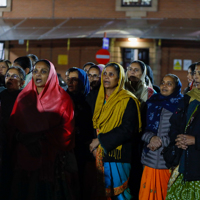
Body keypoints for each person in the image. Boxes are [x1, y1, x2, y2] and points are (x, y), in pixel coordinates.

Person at [8, 60, 75, 200]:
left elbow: (66, 130)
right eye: (35, 71)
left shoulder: (63, 99)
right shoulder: (24, 97)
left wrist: (40, 137)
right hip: (23, 156)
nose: (38, 74)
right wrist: (24, 139)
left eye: (43, 71)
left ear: (51, 75)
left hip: (48, 159)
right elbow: (12, 126)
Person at [89, 62, 141, 199]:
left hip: (118, 153)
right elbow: (96, 125)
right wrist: (95, 146)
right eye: (105, 73)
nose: (106, 77)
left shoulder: (128, 100)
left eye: (111, 74)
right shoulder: (99, 98)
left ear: (120, 79)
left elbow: (127, 130)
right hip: (99, 153)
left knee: (120, 194)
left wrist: (100, 141)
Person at [139, 74, 183, 200]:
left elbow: (180, 130)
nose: (164, 86)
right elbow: (141, 127)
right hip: (149, 157)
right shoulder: (152, 102)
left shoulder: (181, 105)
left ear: (176, 87)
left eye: (169, 84)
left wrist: (160, 141)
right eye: (163, 82)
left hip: (168, 160)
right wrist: (150, 138)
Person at [165, 62, 200, 199]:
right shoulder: (188, 98)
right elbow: (175, 124)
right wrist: (178, 139)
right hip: (184, 165)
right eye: (195, 73)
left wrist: (195, 141)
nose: (196, 76)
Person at [66, 67, 94, 199]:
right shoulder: (62, 99)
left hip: (81, 148)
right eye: (68, 78)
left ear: (82, 81)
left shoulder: (89, 102)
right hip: (65, 146)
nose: (70, 82)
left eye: (75, 79)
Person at [0, 66, 25, 199]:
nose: (9, 78)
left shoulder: (24, 98)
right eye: (8, 75)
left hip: (17, 141)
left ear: (22, 82)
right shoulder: (1, 95)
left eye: (14, 76)